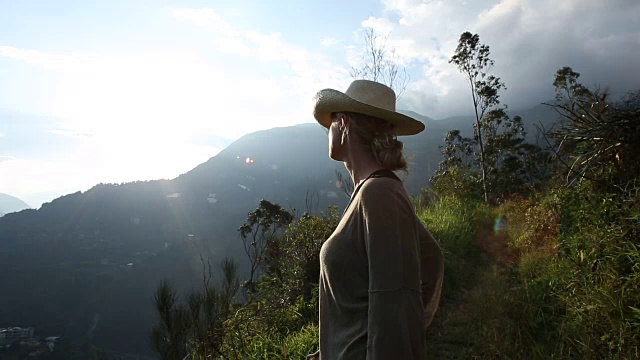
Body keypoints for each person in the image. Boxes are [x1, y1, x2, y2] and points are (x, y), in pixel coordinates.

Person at [306, 80, 445, 359]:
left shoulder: (379, 194)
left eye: (330, 123)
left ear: (343, 124)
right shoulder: (371, 192)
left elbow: (394, 300)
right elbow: (431, 258)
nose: (327, 130)